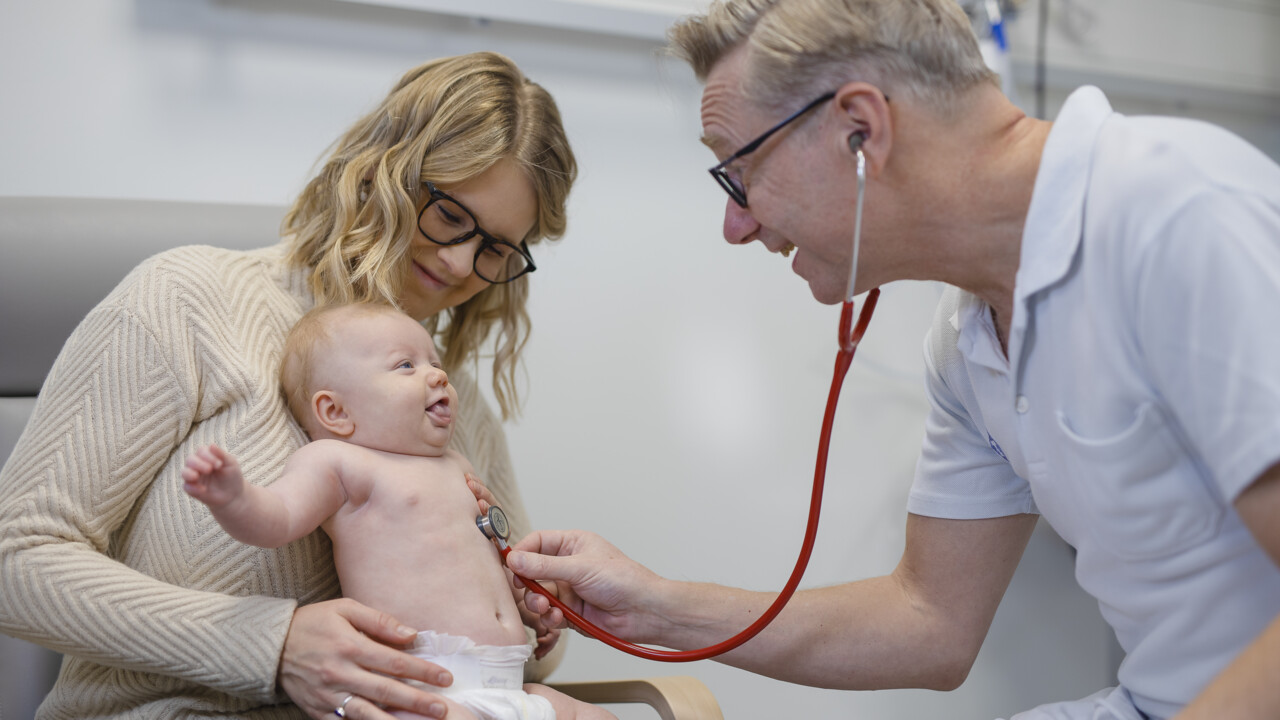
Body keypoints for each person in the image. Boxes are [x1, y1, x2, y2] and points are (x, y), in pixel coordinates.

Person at [501, 1, 1280, 719]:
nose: (736, 227)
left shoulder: (1174, 214)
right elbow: (930, 620)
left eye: (737, 173)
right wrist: (655, 607)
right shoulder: (969, 335)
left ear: (860, 131)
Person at [0, 51, 577, 719]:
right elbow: (15, 558)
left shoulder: (456, 407)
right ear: (382, 169)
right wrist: (272, 645)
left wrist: (537, 614)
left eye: (496, 250)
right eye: (449, 215)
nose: (457, 263)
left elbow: (528, 646)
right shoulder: (191, 301)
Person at [182, 302, 612, 720]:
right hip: (419, 688)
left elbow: (487, 563)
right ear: (335, 412)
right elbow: (276, 518)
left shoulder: (458, 465)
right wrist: (232, 497)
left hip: (510, 683)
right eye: (406, 365)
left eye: (434, 361)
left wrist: (528, 603)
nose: (437, 374)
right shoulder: (340, 463)